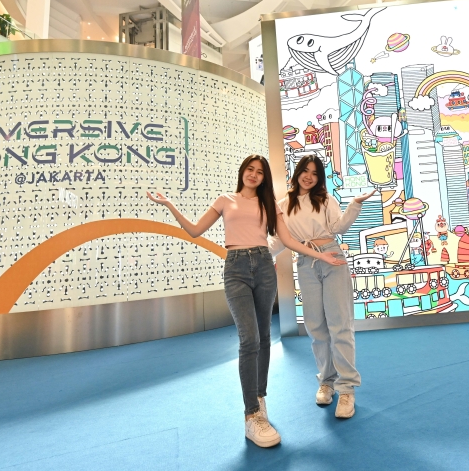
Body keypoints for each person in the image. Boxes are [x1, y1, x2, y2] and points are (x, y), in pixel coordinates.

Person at [147, 154, 344, 448]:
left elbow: (288, 240)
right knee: (249, 339)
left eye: (260, 172)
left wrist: (320, 255)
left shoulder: (269, 204)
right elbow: (195, 230)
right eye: (250, 169)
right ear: (242, 172)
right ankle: (251, 415)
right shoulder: (225, 200)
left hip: (264, 266)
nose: (254, 175)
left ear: (264, 178)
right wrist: (169, 205)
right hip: (236, 268)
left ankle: (260, 401)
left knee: (263, 338)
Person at [271, 155, 375, 419]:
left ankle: (347, 388)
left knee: (340, 324)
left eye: (315, 173)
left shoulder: (326, 199)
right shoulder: (282, 206)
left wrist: (355, 204)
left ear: (319, 178)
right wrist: (253, 251)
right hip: (306, 262)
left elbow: (339, 227)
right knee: (316, 327)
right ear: (297, 173)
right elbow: (280, 241)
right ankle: (326, 381)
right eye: (305, 171)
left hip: (332, 257)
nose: (309, 177)